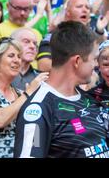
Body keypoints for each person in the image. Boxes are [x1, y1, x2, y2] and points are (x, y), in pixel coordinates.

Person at [14, 21, 109, 158]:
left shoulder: (90, 99)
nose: (95, 65)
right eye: (93, 59)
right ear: (77, 61)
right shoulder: (39, 109)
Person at [0, 37, 46, 158]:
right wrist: (28, 93)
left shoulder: (20, 93)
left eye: (19, 56)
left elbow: (35, 132)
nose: (17, 61)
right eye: (11, 55)